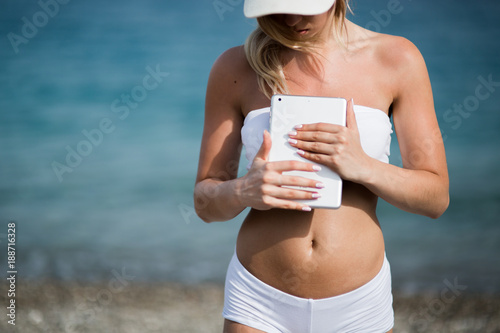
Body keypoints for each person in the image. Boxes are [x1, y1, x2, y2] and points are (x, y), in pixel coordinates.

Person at [194, 0, 449, 331]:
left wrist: (364, 167)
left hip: (359, 305)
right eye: (275, 7)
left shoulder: (398, 59)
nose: (291, 18)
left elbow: (435, 198)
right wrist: (242, 190)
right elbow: (204, 203)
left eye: (304, 4)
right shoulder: (234, 68)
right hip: (258, 301)